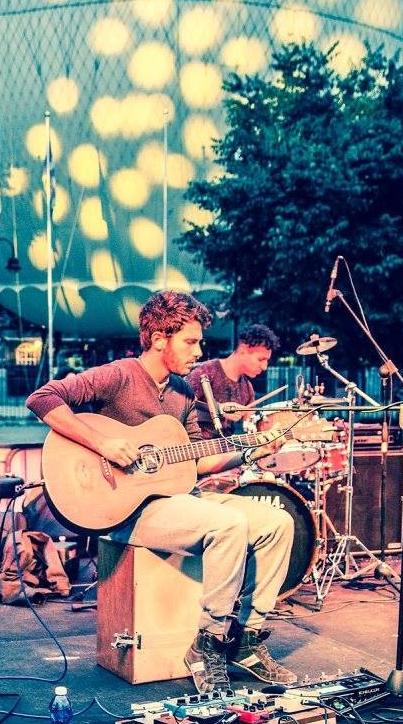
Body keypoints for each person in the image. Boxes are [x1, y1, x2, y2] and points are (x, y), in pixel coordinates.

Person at [26, 291, 297, 692]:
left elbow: (196, 459)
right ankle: (208, 643)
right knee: (228, 524)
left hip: (176, 500)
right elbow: (42, 397)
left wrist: (251, 449)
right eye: (190, 342)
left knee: (277, 522)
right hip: (127, 510)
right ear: (158, 339)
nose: (198, 352)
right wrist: (104, 444)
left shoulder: (183, 392)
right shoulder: (119, 375)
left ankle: (247, 639)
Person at [187, 324, 280, 439]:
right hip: (195, 446)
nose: (264, 367)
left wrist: (260, 425)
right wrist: (219, 410)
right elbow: (180, 409)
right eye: (261, 359)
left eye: (267, 361)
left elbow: (249, 424)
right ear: (242, 352)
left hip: (227, 447)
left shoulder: (247, 388)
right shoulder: (205, 372)